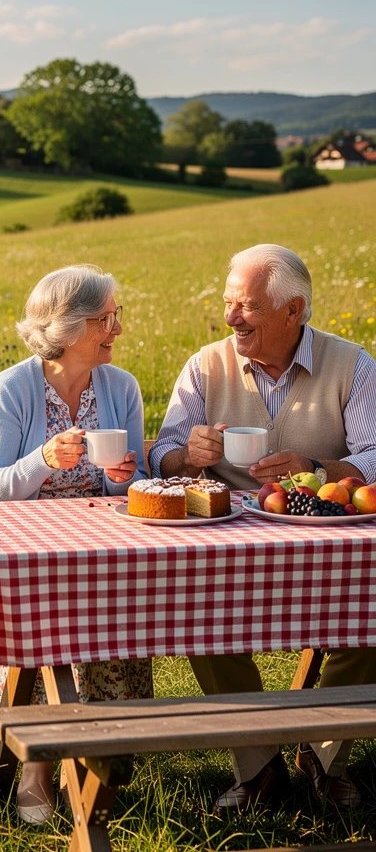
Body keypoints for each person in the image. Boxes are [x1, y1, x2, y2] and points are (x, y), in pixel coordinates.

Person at [150, 243, 376, 812]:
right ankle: (260, 765)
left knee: (371, 605)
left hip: (326, 540)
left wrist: (321, 469)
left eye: (246, 306)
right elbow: (163, 454)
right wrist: (186, 456)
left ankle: (326, 756)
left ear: (292, 311)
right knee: (193, 606)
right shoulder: (206, 365)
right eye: (228, 303)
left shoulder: (353, 365)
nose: (230, 318)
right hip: (226, 539)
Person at [0, 264, 148, 826]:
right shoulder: (12, 389)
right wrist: (42, 461)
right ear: (71, 328)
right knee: (46, 611)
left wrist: (123, 474)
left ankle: (101, 752)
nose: (116, 329)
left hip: (102, 547)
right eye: (106, 318)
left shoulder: (122, 387)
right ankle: (36, 768)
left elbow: (131, 485)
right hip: (27, 550)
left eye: (115, 316)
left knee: (118, 599)